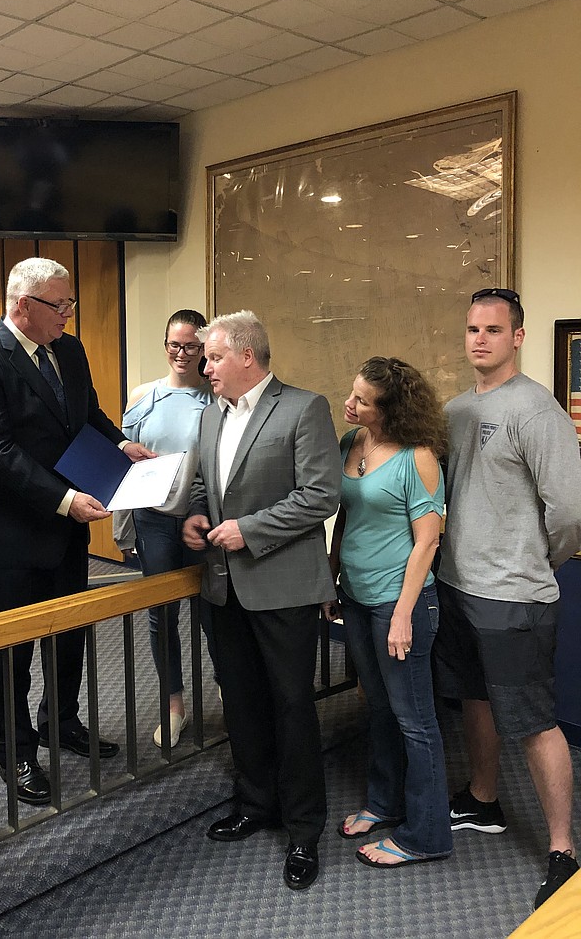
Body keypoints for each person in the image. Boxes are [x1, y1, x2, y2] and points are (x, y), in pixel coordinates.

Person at [0, 257, 153, 805]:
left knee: (70, 635)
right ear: (23, 306)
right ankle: (15, 752)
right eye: (59, 305)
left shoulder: (69, 349)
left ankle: (60, 721)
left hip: (68, 528)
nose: (68, 314)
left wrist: (119, 444)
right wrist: (64, 500)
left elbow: (85, 416)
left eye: (70, 303)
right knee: (13, 652)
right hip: (14, 536)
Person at [182, 310, 340, 891]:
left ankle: (303, 829)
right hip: (223, 586)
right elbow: (205, 484)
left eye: (215, 357)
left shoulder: (303, 408)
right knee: (242, 701)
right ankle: (255, 804)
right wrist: (198, 514)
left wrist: (251, 529)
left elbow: (321, 494)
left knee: (292, 707)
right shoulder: (209, 414)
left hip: (283, 587)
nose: (206, 367)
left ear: (248, 355)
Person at [433, 287, 581, 910]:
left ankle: (562, 850)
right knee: (474, 696)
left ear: (516, 337)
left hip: (513, 593)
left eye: (494, 330)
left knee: (533, 719)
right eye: (473, 329)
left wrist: (537, 560)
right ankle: (483, 799)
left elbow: (571, 512)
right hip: (457, 584)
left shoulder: (535, 409)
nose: (481, 340)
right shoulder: (456, 408)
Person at [324, 357, 452, 869]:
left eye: (362, 401)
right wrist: (330, 576)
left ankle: (426, 835)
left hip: (401, 602)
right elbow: (347, 514)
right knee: (377, 705)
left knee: (415, 720)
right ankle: (385, 802)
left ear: (390, 410)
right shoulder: (350, 443)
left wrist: (403, 614)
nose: (349, 405)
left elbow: (428, 541)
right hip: (355, 593)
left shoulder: (418, 457)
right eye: (351, 394)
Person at [120, 309, 217, 749]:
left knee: (214, 611)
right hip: (153, 519)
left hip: (203, 518)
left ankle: (230, 694)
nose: (182, 354)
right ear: (165, 346)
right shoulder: (144, 396)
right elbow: (122, 460)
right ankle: (173, 704)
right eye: (175, 345)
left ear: (204, 349)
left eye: (192, 347)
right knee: (162, 615)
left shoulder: (216, 400)